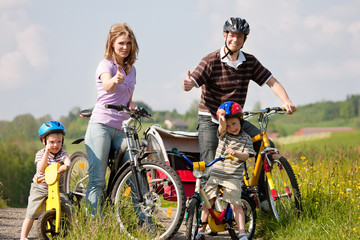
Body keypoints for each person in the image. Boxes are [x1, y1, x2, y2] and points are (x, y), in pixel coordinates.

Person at [182, 17, 296, 208]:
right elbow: (194, 79)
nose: (235, 39)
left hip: (235, 120)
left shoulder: (249, 62)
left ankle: (261, 196)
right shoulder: (211, 60)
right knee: (210, 164)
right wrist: (188, 84)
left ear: (244, 39)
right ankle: (211, 213)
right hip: (210, 118)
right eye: (232, 35)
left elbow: (271, 81)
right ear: (225, 35)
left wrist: (286, 101)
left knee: (265, 147)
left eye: (240, 37)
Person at [85, 23, 138, 215]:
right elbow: (107, 85)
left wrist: (133, 105)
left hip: (121, 128)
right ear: (112, 43)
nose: (125, 47)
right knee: (97, 180)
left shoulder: (132, 70)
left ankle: (143, 222)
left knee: (135, 174)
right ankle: (93, 223)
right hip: (102, 126)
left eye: (129, 44)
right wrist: (114, 80)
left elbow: (127, 98)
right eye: (121, 43)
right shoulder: (105, 64)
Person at [195, 101, 255, 240]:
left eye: (234, 123)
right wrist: (222, 120)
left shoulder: (246, 138)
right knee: (207, 202)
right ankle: (201, 231)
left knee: (236, 205)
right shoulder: (224, 135)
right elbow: (221, 127)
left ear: (240, 120)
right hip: (216, 174)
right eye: (228, 125)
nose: (231, 128)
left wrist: (236, 154)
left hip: (233, 177)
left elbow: (247, 155)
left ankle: (242, 233)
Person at [20, 121, 71, 240]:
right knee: (31, 212)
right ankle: (23, 236)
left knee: (68, 208)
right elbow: (41, 168)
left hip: (57, 188)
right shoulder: (40, 154)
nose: (55, 145)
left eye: (59, 142)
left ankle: (73, 232)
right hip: (40, 187)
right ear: (44, 141)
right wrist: (47, 153)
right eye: (51, 142)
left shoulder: (62, 153)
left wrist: (66, 166)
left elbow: (67, 160)